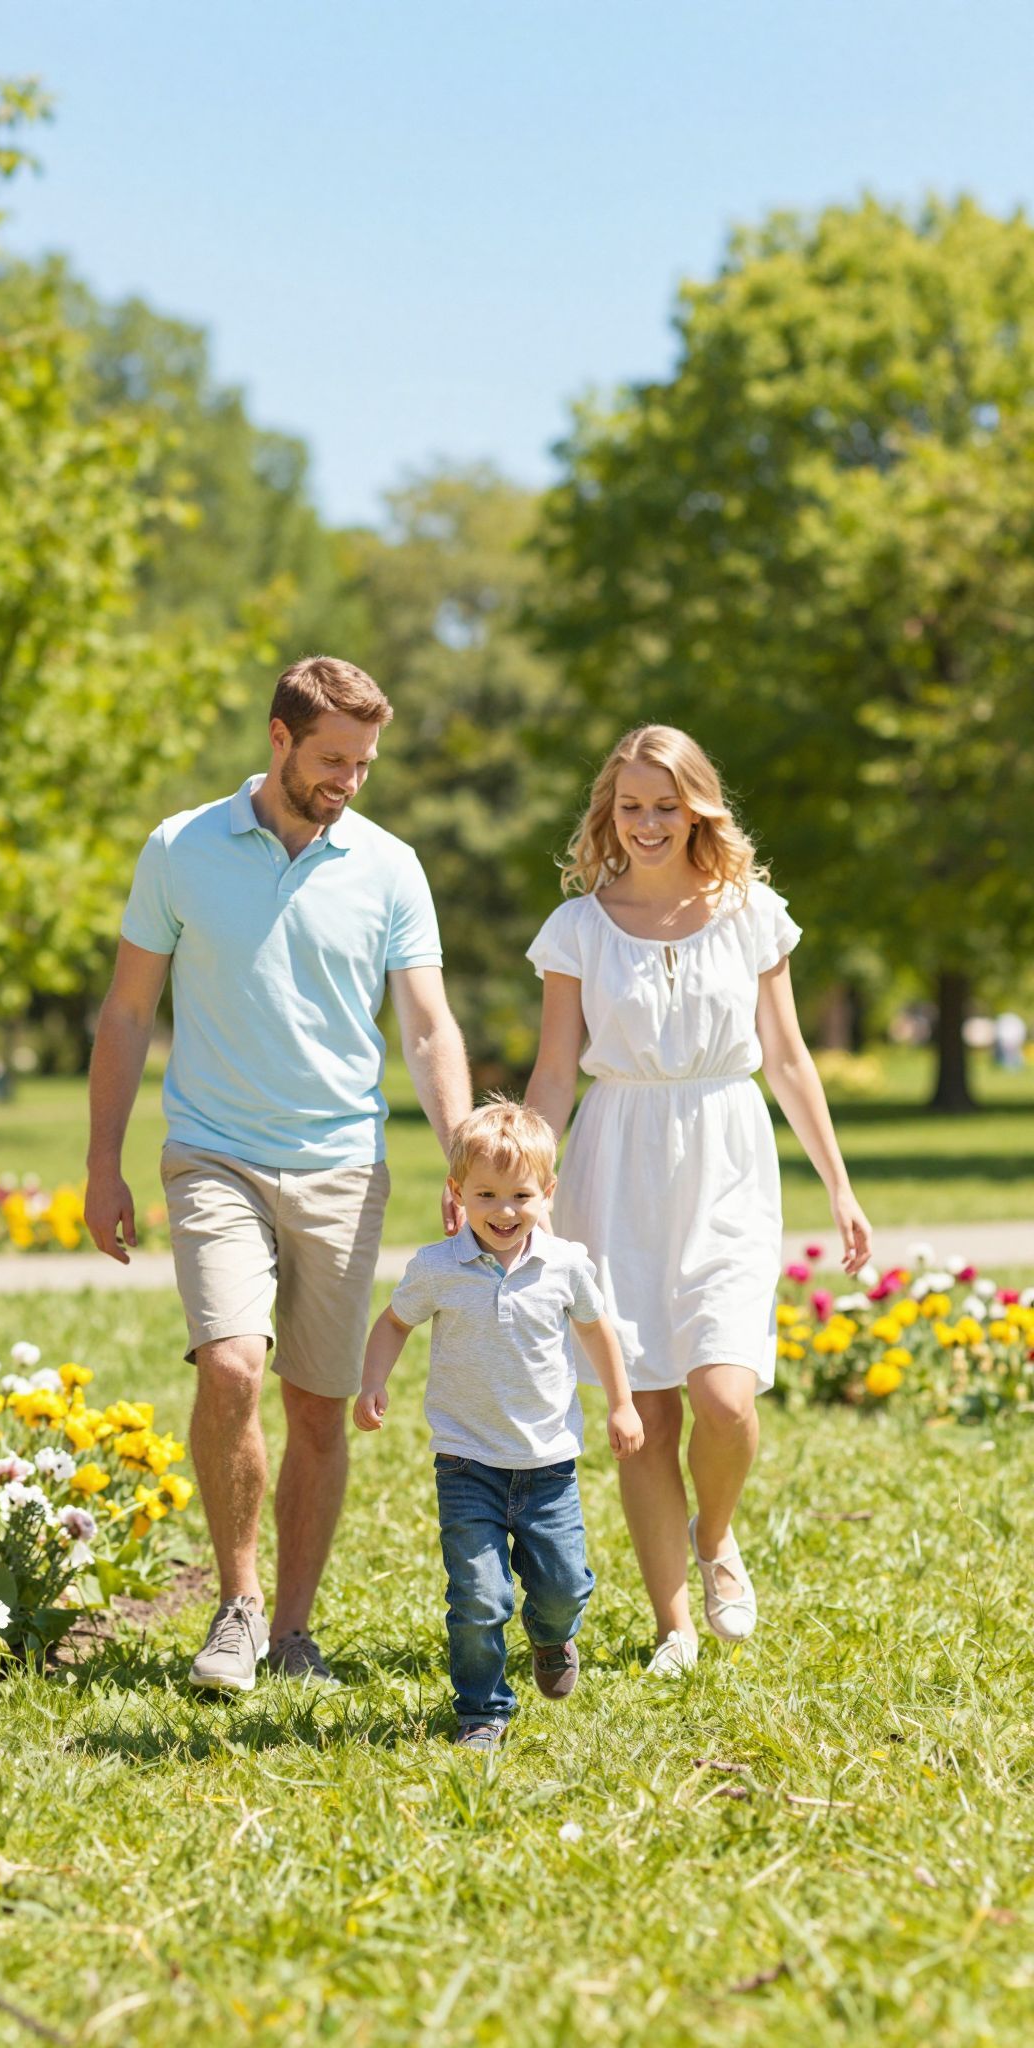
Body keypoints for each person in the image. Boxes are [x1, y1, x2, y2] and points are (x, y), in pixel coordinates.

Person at [85, 656, 471, 1693]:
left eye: (365, 761)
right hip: (213, 1151)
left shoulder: (390, 865)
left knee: (316, 1406)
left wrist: (463, 1142)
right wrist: (101, 1163)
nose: (348, 777)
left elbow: (426, 1024)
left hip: (345, 1164)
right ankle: (237, 1603)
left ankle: (293, 1632)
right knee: (231, 1367)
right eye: (332, 757)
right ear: (279, 738)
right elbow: (127, 1013)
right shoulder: (181, 846)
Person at [524, 725, 872, 1678]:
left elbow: (791, 1058)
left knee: (724, 1395)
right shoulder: (579, 930)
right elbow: (555, 1074)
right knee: (646, 1412)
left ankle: (715, 1536)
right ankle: (673, 1623)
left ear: (699, 807)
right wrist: (525, 1177)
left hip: (726, 1154)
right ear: (609, 811)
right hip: (614, 1160)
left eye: (666, 806)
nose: (647, 824)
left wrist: (839, 1185)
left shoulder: (752, 913)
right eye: (631, 806)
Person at [355, 1099, 643, 1749]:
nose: (504, 1211)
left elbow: (596, 1331)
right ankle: (482, 1709)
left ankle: (551, 1635)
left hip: (547, 1465)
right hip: (467, 1463)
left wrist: (621, 1404)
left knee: (564, 1586)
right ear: (457, 1193)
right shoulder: (438, 1267)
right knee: (479, 1598)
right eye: (486, 1194)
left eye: (520, 1195)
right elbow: (394, 1322)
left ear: (548, 1192)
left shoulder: (565, 1265)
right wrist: (374, 1380)